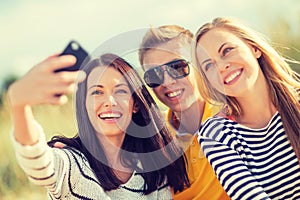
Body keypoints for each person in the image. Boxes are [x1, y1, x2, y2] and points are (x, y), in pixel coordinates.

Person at [8, 53, 190, 199]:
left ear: (135, 104)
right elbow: (38, 163)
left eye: (120, 91)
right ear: (84, 104)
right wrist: (19, 105)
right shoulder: (73, 164)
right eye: (97, 92)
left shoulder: (153, 173)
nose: (109, 101)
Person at [193, 17, 300, 200]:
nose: (221, 67)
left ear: (255, 49)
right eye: (209, 66)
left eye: (227, 51)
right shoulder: (216, 134)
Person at [139, 25, 230, 199]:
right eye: (155, 75)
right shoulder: (155, 142)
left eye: (177, 67)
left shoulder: (234, 115)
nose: (166, 82)